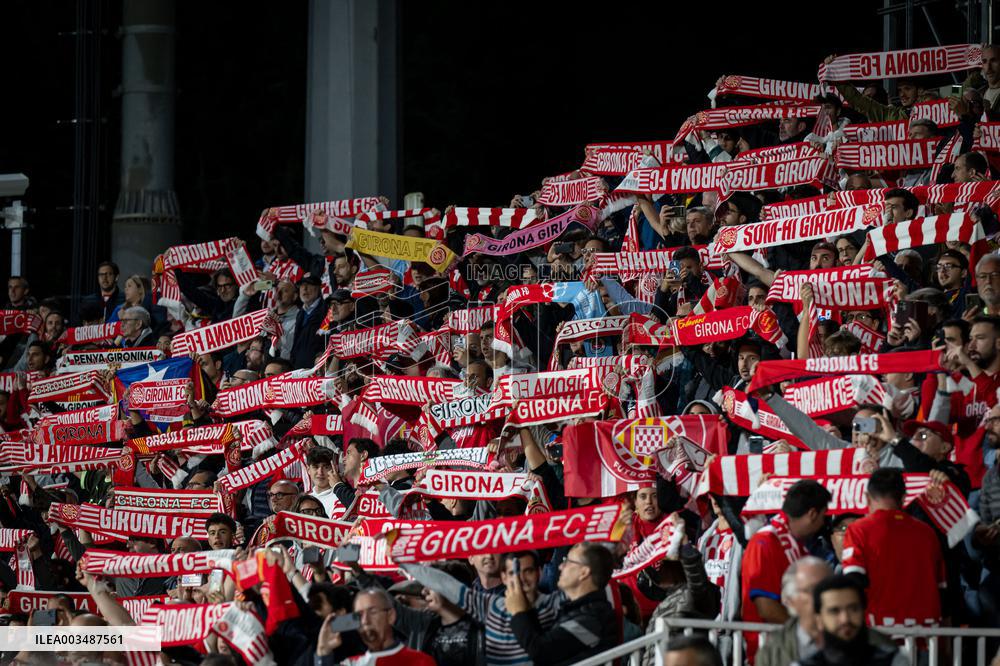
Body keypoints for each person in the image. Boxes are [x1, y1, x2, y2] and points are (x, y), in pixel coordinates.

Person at [841, 468, 945, 627]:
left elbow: (853, 581)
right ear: (903, 498)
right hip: (927, 632)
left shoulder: (858, 530)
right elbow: (943, 589)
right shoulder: (928, 533)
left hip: (879, 630)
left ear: (867, 498)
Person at [740, 480, 832, 657]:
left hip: (795, 650)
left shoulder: (798, 547)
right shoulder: (764, 542)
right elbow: (766, 608)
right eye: (823, 516)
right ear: (812, 514)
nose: (823, 524)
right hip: (772, 652)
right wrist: (811, 633)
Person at [507, 542, 618, 666]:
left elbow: (541, 651)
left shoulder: (593, 619)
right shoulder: (582, 610)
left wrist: (519, 613)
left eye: (568, 561)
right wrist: (527, 609)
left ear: (584, 572)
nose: (560, 566)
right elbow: (544, 642)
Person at [795, 575, 905, 666]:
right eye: (834, 611)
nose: (845, 619)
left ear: (863, 612)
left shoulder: (895, 662)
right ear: (819, 620)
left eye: (853, 609)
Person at [315, 587, 437, 666]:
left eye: (372, 612)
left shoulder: (421, 662)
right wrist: (323, 652)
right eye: (359, 615)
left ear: (391, 616)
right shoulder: (350, 664)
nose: (365, 620)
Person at [756, 557, 833, 666]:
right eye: (813, 590)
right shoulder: (773, 650)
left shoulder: (858, 640)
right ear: (790, 600)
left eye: (829, 588)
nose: (824, 596)